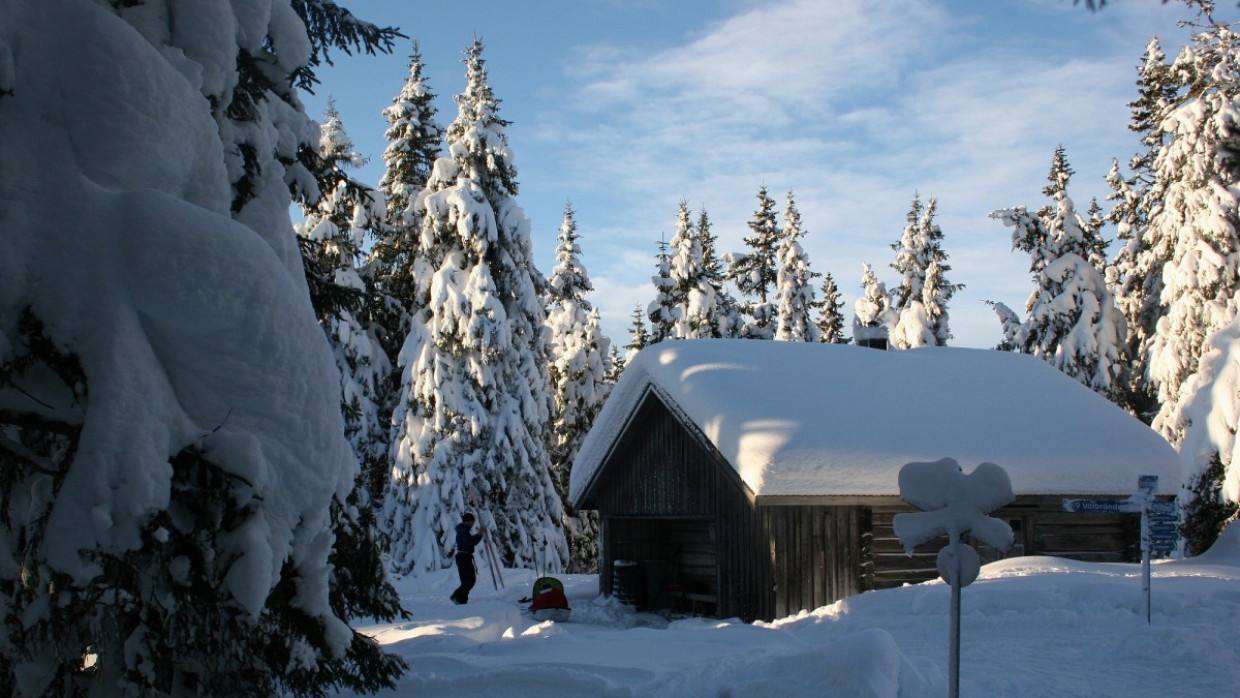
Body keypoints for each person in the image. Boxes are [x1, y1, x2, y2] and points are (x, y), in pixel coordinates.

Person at [450, 512, 484, 605]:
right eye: (472, 521)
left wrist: (479, 535)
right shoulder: (463, 530)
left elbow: (470, 541)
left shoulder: (463, 530)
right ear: (468, 522)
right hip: (464, 557)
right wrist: (480, 534)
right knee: (469, 580)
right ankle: (457, 597)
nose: (473, 523)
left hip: (464, 557)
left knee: (468, 580)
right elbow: (470, 542)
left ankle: (461, 599)